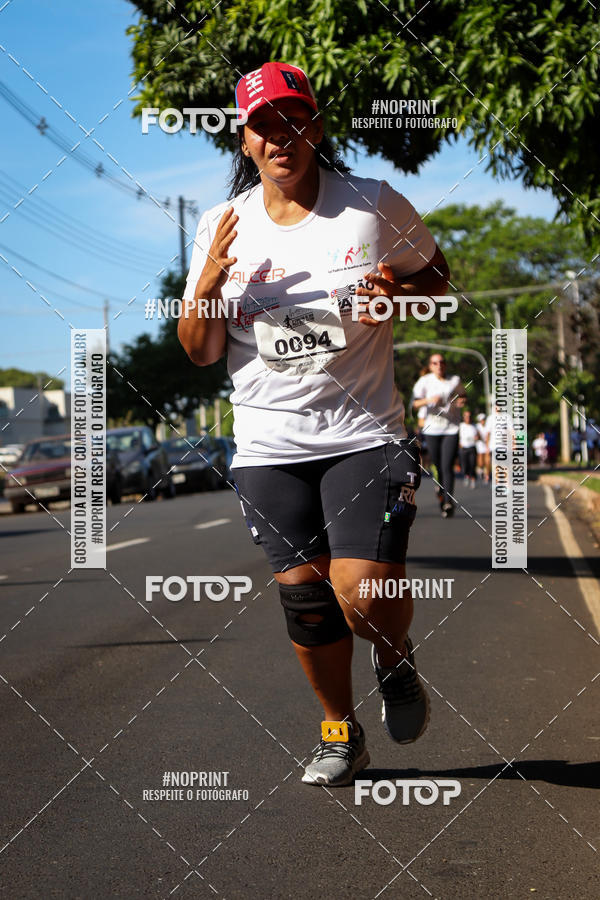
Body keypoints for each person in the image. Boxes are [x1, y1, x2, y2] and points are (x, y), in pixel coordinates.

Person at [178, 62, 450, 787]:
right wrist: (204, 290)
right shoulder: (219, 226)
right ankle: (340, 733)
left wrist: (395, 286)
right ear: (244, 140)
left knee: (361, 592)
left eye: (294, 121)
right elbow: (200, 349)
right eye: (264, 126)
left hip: (366, 434)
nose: (280, 137)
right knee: (306, 602)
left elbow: (437, 277)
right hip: (268, 445)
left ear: (317, 128)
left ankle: (392, 656)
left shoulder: (371, 204)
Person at [411, 354, 467, 517]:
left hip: (451, 428)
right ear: (430, 365)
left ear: (446, 364)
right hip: (432, 428)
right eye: (435, 363)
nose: (439, 365)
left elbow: (463, 395)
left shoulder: (454, 380)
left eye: (442, 362)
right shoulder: (424, 381)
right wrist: (429, 400)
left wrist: (462, 401)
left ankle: (448, 501)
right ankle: (441, 493)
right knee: (438, 464)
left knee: (447, 464)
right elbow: (414, 404)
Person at [458, 409, 478, 488]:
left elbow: (479, 436)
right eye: (466, 416)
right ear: (464, 417)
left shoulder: (474, 426)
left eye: (469, 416)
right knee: (464, 465)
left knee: (472, 464)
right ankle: (466, 476)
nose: (468, 418)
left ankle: (473, 479)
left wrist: (477, 437)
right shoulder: (461, 426)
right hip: (463, 448)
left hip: (472, 447)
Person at [475, 412, 489, 482]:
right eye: (481, 420)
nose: (483, 421)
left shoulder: (488, 425)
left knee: (487, 458)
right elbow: (476, 435)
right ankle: (480, 468)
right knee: (480, 457)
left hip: (487, 443)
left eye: (484, 419)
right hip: (480, 443)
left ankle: (486, 474)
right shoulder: (477, 426)